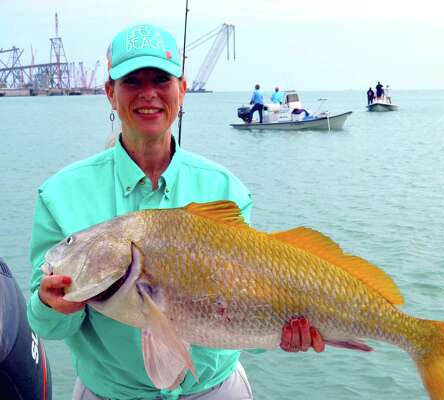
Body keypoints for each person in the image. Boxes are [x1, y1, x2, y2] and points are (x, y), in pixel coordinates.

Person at [27, 23, 324, 400]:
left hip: (216, 390)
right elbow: (47, 327)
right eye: (132, 81)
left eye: (162, 80)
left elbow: (245, 301)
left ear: (182, 91)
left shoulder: (225, 190)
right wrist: (52, 306)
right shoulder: (60, 195)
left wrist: (286, 329)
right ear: (110, 94)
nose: (148, 93)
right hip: (108, 393)